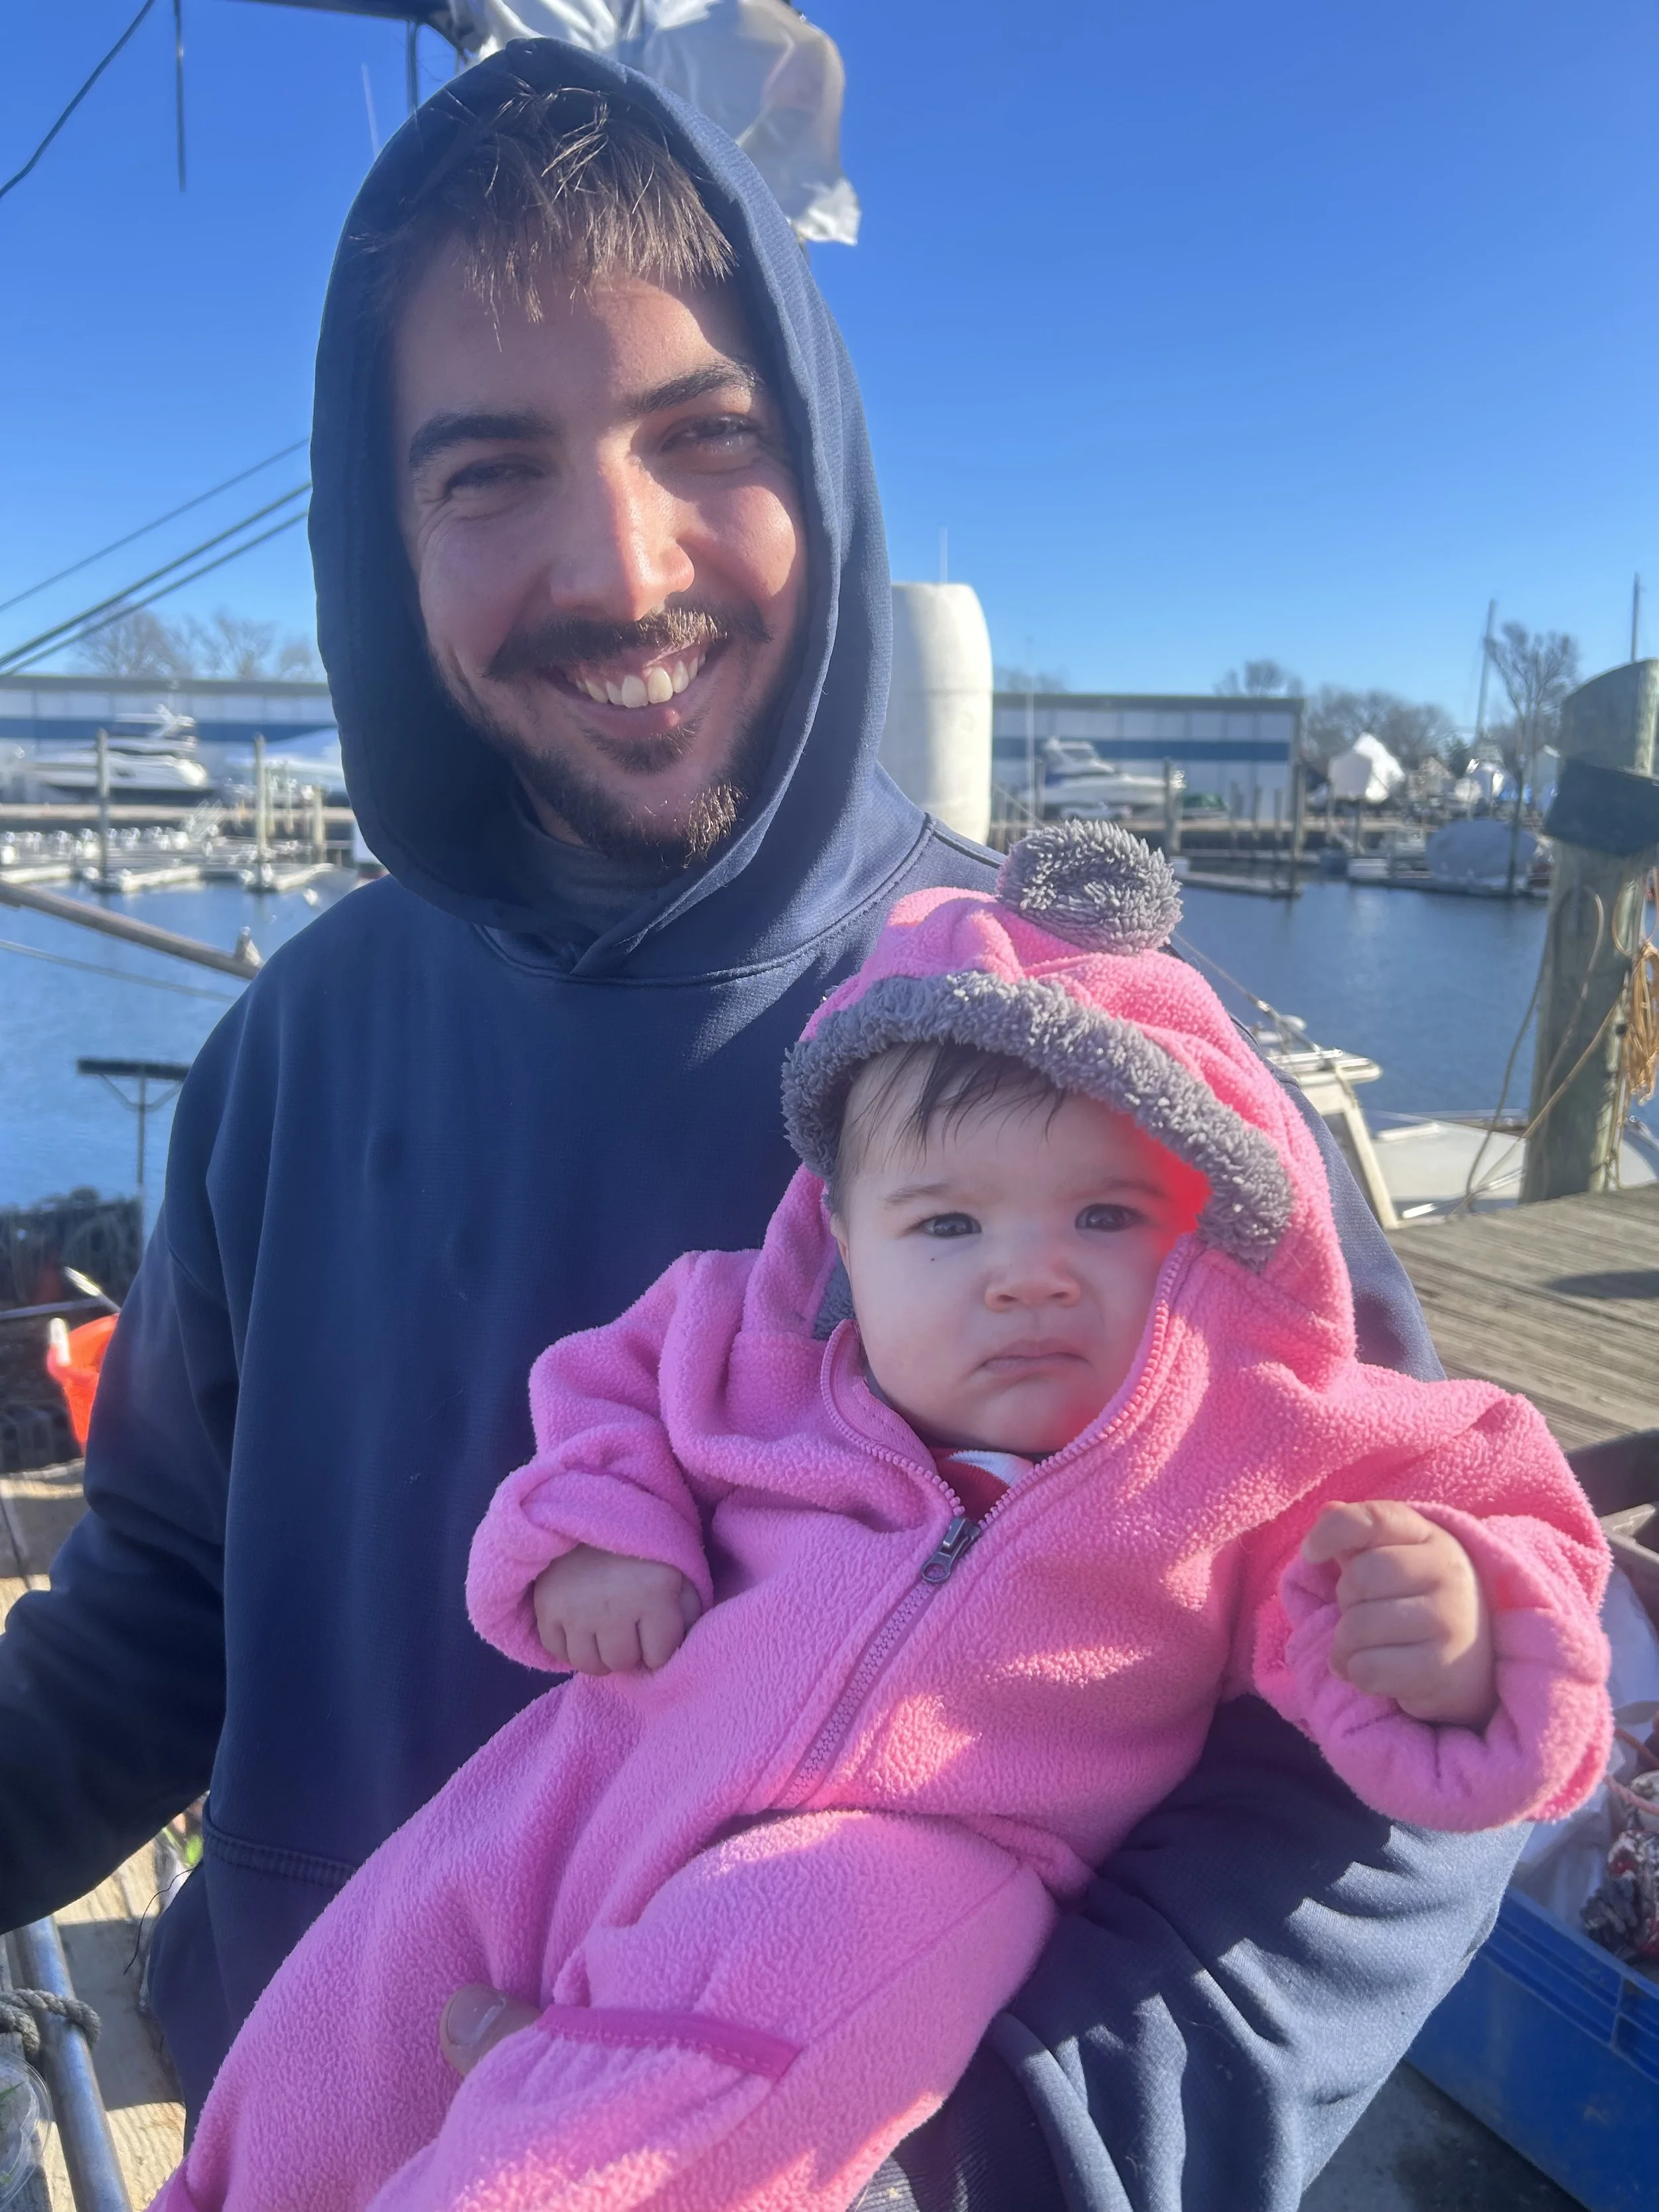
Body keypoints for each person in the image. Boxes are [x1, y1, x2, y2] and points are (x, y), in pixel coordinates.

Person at [0, 40, 1526, 2210]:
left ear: (822, 457)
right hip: (294, 2119)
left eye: (704, 437)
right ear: (380, 544)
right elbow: (160, 1599)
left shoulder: (1078, 1046)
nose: (621, 571)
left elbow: (1392, 1760)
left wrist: (968, 2158)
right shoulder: (294, 1046)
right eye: (487, 472)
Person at [156, 826, 1610, 2212]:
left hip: (924, 1847)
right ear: (844, 1235)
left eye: (1107, 1217)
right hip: (610, 1767)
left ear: (1206, 1235)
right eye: (948, 1224)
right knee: (354, 2008)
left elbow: (1489, 1486)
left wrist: (1453, 1629)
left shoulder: (1244, 1444)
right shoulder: (758, 1345)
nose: (1028, 1273)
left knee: (728, 2036)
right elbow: (603, 1384)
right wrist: (605, 1522)